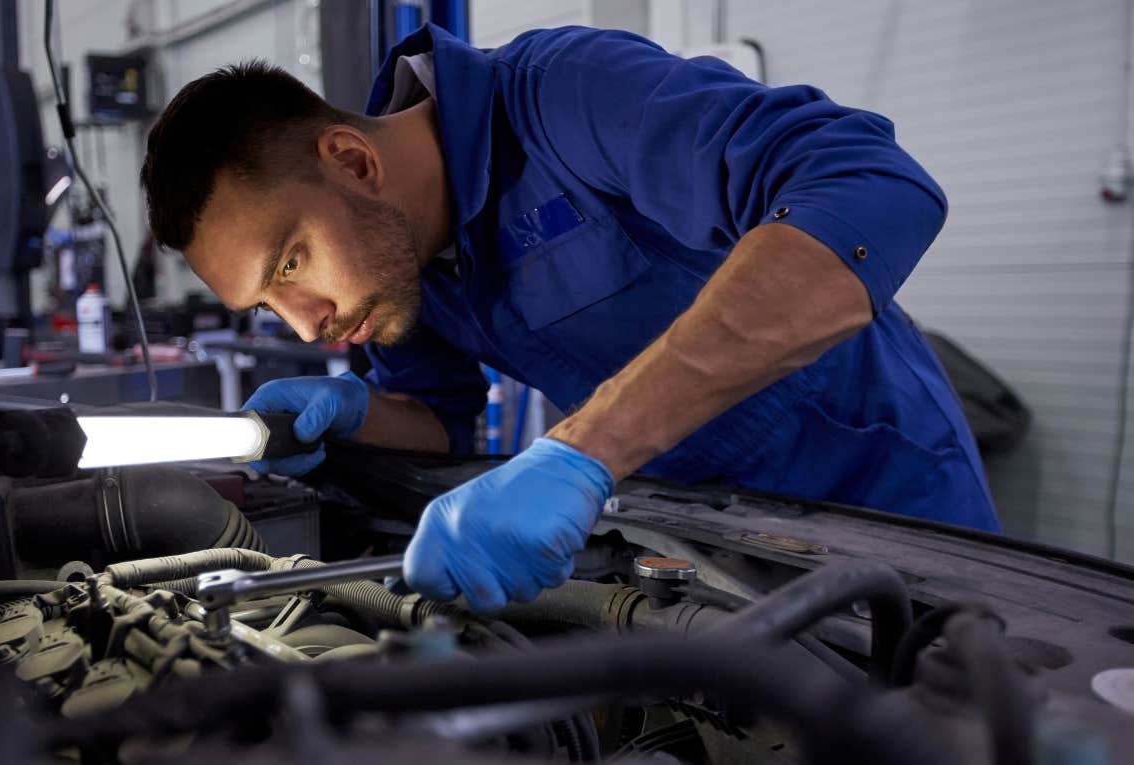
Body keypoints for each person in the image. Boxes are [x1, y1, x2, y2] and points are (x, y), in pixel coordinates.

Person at [139, 24, 1000, 612]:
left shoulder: (568, 97)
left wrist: (585, 450)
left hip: (889, 508)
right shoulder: (399, 269)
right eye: (267, 301)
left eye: (290, 263)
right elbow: (441, 418)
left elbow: (871, 187)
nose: (303, 322)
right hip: (699, 548)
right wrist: (357, 413)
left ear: (353, 160)